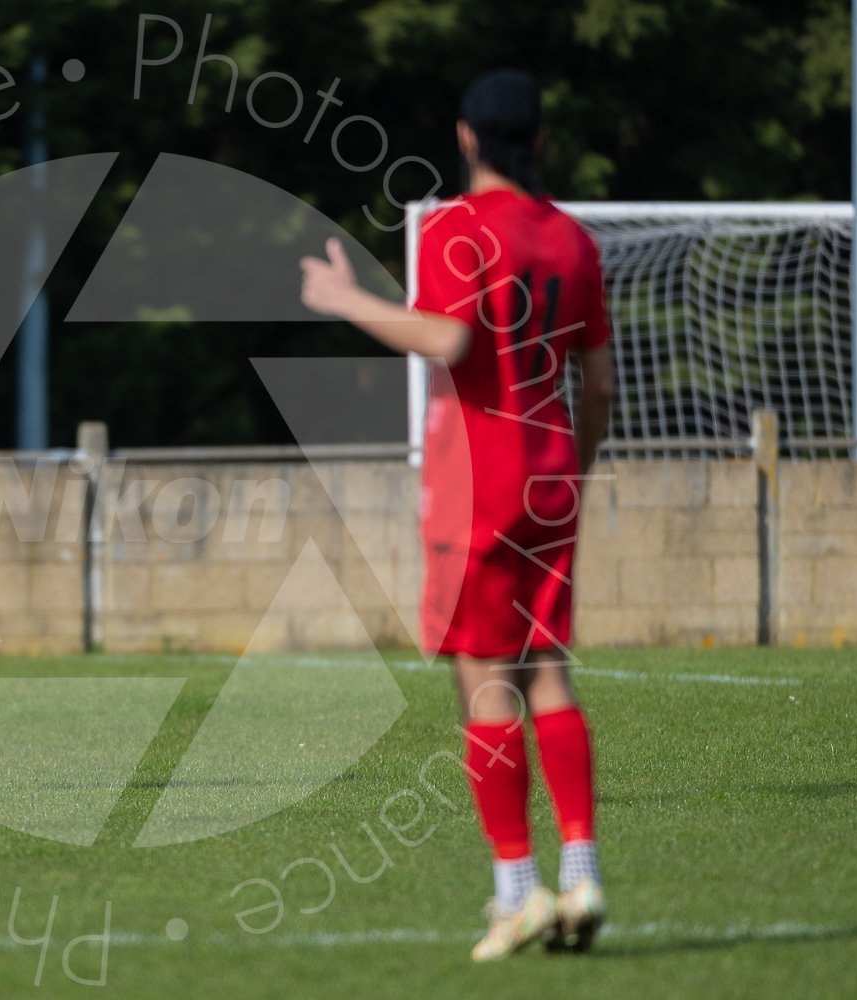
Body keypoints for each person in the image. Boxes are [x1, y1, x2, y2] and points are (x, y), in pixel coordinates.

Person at [300, 69, 614, 961]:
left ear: (467, 137)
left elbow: (450, 339)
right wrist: (575, 470)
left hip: (478, 474)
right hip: (553, 467)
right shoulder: (575, 242)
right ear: (542, 141)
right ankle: (582, 870)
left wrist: (348, 300)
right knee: (547, 666)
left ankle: (517, 893)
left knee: (486, 680)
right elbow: (599, 386)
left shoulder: (455, 227)